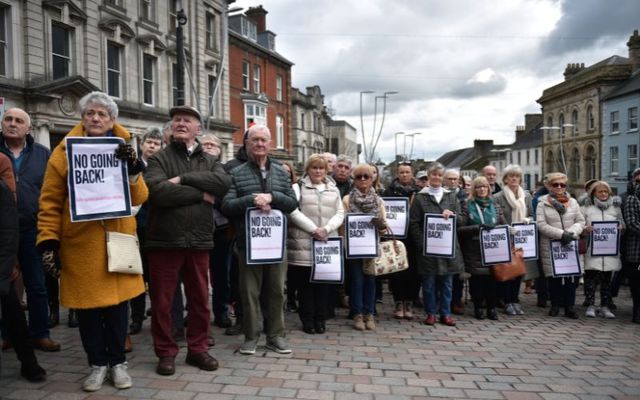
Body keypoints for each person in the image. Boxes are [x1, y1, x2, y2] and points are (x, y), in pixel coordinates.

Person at [37, 92, 148, 391]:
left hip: (117, 240)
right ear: (82, 118)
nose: (96, 118)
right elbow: (49, 202)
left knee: (116, 309)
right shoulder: (62, 153)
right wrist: (48, 241)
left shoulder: (124, 149)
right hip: (81, 244)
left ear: (113, 119)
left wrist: (134, 171)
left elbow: (140, 197)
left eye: (102, 114)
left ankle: (118, 363)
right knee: (87, 311)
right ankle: (97, 364)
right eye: (90, 113)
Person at [144, 105, 229, 376]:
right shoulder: (159, 159)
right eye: (176, 120)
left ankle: (198, 349)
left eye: (187, 120)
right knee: (162, 302)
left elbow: (221, 184)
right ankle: (166, 352)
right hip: (164, 241)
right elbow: (157, 193)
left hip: (200, 240)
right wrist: (199, 194)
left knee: (200, 300)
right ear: (171, 127)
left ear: (198, 129)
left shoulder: (211, 159)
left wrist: (183, 179)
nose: (180, 123)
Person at [221, 124, 298, 355]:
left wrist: (272, 197)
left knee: (276, 291)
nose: (260, 144)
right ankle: (251, 337)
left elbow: (293, 203)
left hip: (275, 244)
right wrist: (252, 200)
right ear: (246, 144)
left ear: (270, 144)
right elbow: (226, 205)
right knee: (249, 292)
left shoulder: (282, 173)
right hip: (248, 244)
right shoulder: (235, 173)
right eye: (255, 140)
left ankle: (275, 336)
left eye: (264, 140)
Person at [0, 108, 60, 351]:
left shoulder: (43, 155)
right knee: (6, 286)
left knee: (37, 285)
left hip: (32, 229)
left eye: (19, 121)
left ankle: (39, 333)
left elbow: (53, 192)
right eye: (8, 119)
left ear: (28, 128)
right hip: (3, 232)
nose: (12, 124)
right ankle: (8, 334)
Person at [288, 154, 344, 334]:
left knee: (323, 285)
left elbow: (340, 213)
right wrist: (314, 229)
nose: (318, 171)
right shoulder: (297, 188)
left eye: (321, 168)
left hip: (326, 243)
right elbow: (293, 211)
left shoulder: (333, 189)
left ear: (326, 170)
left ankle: (321, 319)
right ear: (308, 169)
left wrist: (326, 229)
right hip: (304, 243)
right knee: (306, 286)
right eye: (314, 168)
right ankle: (308, 320)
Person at [410, 162, 463, 326]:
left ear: (443, 177)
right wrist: (422, 244)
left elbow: (462, 220)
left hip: (448, 248)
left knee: (447, 284)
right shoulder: (420, 198)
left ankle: (445, 314)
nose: (437, 178)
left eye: (440, 175)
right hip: (428, 250)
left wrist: (453, 215)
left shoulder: (451, 197)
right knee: (429, 284)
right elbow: (413, 223)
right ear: (428, 176)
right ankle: (430, 313)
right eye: (434, 174)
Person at [342, 164, 387, 330]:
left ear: (371, 179)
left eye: (366, 177)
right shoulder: (347, 199)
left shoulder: (378, 200)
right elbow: (343, 224)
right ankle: (357, 313)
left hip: (370, 248)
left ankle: (369, 313)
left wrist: (381, 224)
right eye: (358, 176)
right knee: (356, 281)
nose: (362, 180)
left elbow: (384, 226)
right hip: (353, 247)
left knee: (370, 281)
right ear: (354, 179)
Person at [129, 127, 163, 335]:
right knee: (137, 277)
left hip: (159, 228)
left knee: (158, 277)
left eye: (156, 143)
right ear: (141, 145)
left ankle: (159, 318)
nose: (152, 146)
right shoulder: (133, 166)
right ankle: (136, 318)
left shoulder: (162, 167)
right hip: (137, 228)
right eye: (149, 142)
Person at [536, 172, 584, 319]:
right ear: (549, 186)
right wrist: (560, 234)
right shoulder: (542, 203)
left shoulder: (573, 202)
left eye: (562, 185)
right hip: (551, 244)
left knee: (570, 277)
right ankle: (555, 305)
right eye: (555, 184)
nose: (559, 187)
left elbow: (580, 221)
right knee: (554, 278)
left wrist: (571, 233)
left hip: (570, 243)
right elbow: (541, 225)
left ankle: (569, 306)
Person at [458, 176, 506, 320]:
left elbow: (503, 225)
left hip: (493, 249)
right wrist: (477, 228)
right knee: (477, 281)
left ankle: (491, 308)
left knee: (492, 280)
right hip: (474, 249)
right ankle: (478, 308)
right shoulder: (467, 205)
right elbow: (460, 229)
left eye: (484, 186)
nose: (482, 189)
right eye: (478, 187)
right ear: (474, 189)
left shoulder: (495, 206)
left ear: (488, 188)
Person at [493, 164, 535, 316]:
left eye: (517, 176)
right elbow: (496, 217)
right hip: (506, 238)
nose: (514, 179)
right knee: (507, 271)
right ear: (505, 179)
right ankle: (507, 301)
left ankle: (515, 300)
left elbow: (531, 214)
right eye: (511, 176)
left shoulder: (527, 196)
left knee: (518, 271)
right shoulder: (498, 197)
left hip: (522, 239)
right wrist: (506, 227)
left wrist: (528, 220)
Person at [582, 181, 624, 319]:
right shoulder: (587, 208)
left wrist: (621, 228)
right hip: (592, 249)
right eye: (600, 191)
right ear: (594, 193)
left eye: (606, 191)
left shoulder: (615, 208)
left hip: (610, 250)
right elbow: (580, 225)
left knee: (607, 280)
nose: (604, 194)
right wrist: (585, 229)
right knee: (591, 279)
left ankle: (605, 306)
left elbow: (622, 224)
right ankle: (591, 305)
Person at [383, 161, 419, 319]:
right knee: (397, 270)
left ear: (412, 174)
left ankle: (409, 301)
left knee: (413, 270)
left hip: (413, 237)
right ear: (397, 174)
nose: (404, 174)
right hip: (396, 237)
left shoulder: (419, 192)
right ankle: (398, 302)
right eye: (402, 172)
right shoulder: (388, 191)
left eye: (407, 172)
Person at [443, 169, 467, 315]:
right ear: (445, 180)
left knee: (457, 272)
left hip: (459, 238)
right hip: (443, 238)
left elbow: (464, 217)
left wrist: (453, 217)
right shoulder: (440, 195)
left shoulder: (463, 196)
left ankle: (456, 300)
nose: (452, 181)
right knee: (443, 271)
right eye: (449, 178)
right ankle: (444, 300)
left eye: (455, 179)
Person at [282, 161, 300, 313]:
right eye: (282, 171)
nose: (285, 174)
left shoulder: (296, 187)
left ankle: (292, 299)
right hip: (280, 231)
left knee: (293, 268)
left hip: (294, 230)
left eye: (288, 172)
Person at [622, 168, 640, 323]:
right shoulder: (632, 199)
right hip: (636, 250)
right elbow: (632, 224)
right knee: (636, 283)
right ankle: (637, 311)